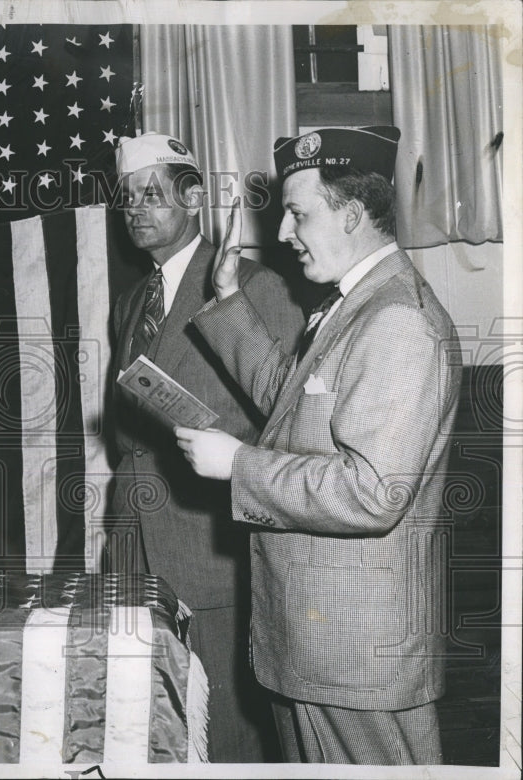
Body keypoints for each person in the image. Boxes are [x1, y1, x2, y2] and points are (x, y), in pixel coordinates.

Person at [175, 126, 461, 764]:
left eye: (298, 214)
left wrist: (238, 465)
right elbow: (292, 400)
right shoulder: (358, 304)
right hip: (322, 645)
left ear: (353, 214)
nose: (281, 233)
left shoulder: (398, 320)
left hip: (356, 657)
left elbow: (371, 492)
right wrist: (226, 299)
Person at [105, 132, 305, 762]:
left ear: (193, 196)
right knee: (147, 722)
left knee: (222, 732)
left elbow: (288, 422)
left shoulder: (254, 286)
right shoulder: (131, 300)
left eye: (152, 194)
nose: (136, 208)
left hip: (212, 549)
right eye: (127, 197)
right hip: (132, 540)